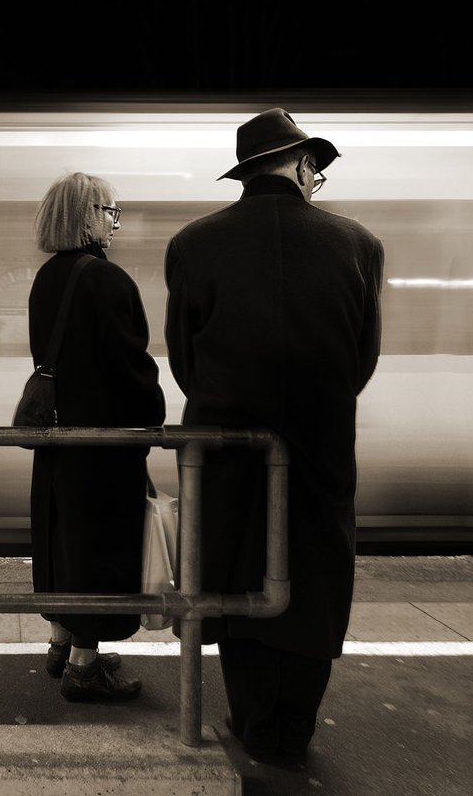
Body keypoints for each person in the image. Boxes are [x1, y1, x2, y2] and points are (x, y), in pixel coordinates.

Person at [164, 108, 384, 766]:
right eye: (316, 167)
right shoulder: (358, 244)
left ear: (248, 171)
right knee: (314, 573)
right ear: (298, 164)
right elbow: (361, 361)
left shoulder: (193, 243)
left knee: (238, 574)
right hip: (319, 446)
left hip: (228, 449)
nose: (317, 179)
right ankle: (295, 725)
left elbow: (182, 357)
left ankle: (253, 721)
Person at [27, 172, 166, 702]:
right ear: (86, 215)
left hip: (59, 438)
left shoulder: (47, 278)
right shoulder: (107, 280)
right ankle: (86, 667)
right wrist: (152, 417)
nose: (114, 220)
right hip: (103, 445)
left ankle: (62, 640)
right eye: (110, 211)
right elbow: (130, 369)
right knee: (98, 544)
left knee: (61, 536)